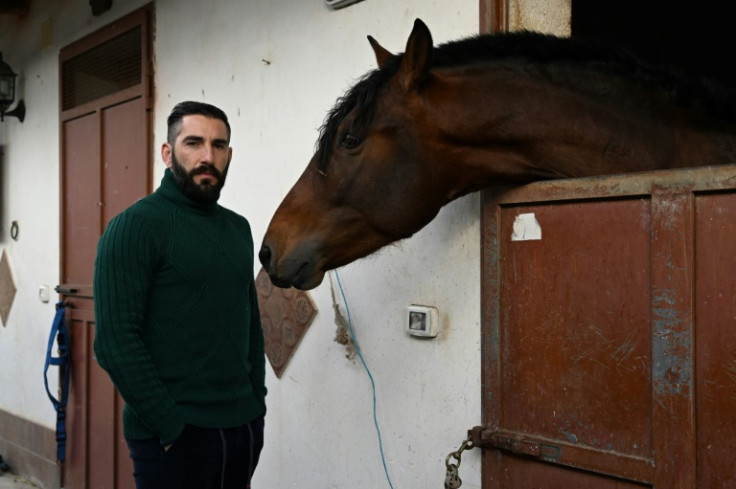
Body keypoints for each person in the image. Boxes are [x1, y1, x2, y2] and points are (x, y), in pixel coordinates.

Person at [93, 101, 267, 489]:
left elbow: (249, 322)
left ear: (229, 155)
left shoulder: (238, 229)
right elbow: (115, 341)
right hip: (173, 436)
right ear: (168, 153)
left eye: (219, 146)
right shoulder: (134, 227)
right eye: (194, 143)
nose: (208, 156)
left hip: (242, 429)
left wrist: (256, 403)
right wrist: (169, 425)